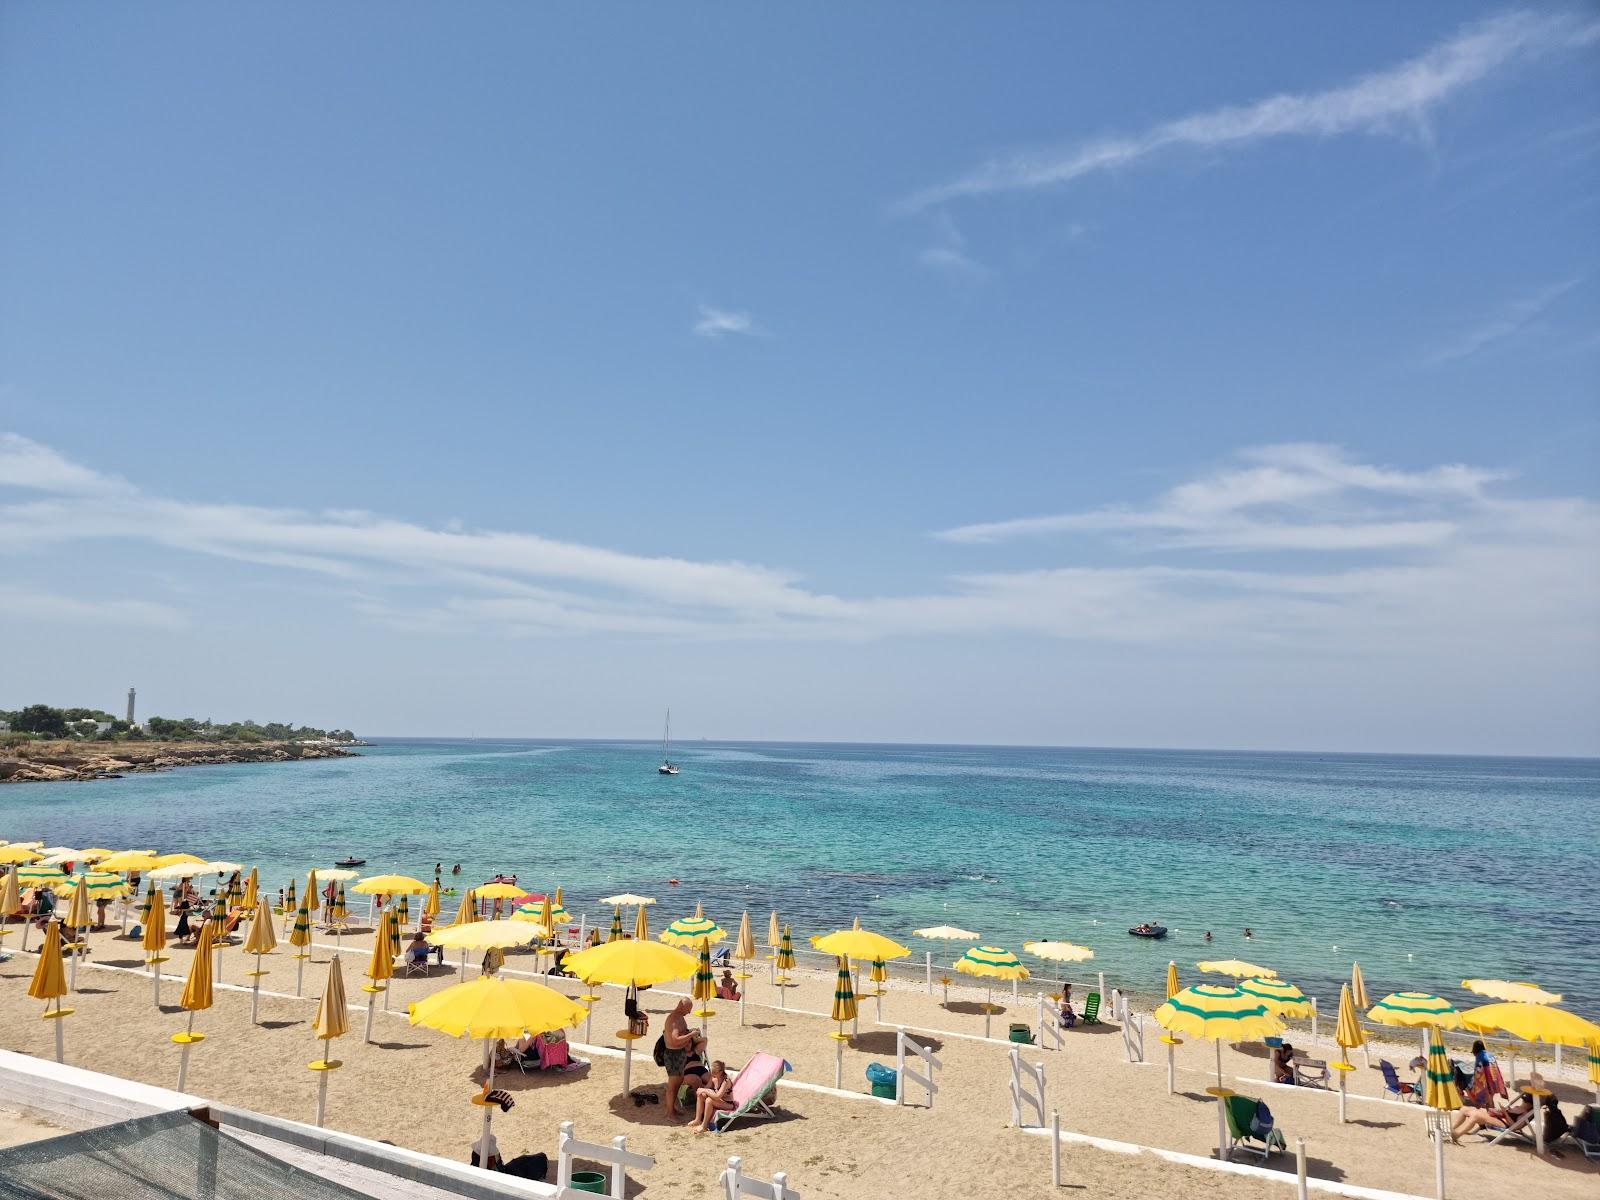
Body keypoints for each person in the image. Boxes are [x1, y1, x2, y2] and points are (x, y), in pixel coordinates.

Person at [662, 998, 706, 1117]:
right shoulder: (674, 1020)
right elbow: (675, 1040)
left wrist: (691, 1034)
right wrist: (691, 1034)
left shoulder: (680, 1017)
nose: (689, 1012)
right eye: (688, 1009)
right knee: (672, 1086)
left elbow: (682, 1034)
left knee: (677, 1085)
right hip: (673, 1055)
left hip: (679, 1055)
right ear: (682, 1007)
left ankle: (673, 1110)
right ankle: (670, 1114)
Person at [687, 1060, 736, 1133]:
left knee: (709, 1100)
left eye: (714, 1073)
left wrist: (705, 1090)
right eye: (711, 1072)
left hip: (728, 1104)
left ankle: (704, 1125)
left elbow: (717, 1096)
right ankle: (697, 1119)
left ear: (721, 1072)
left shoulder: (726, 1081)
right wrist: (702, 1090)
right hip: (719, 1101)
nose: (712, 1074)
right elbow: (707, 1088)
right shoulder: (714, 1078)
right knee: (701, 1094)